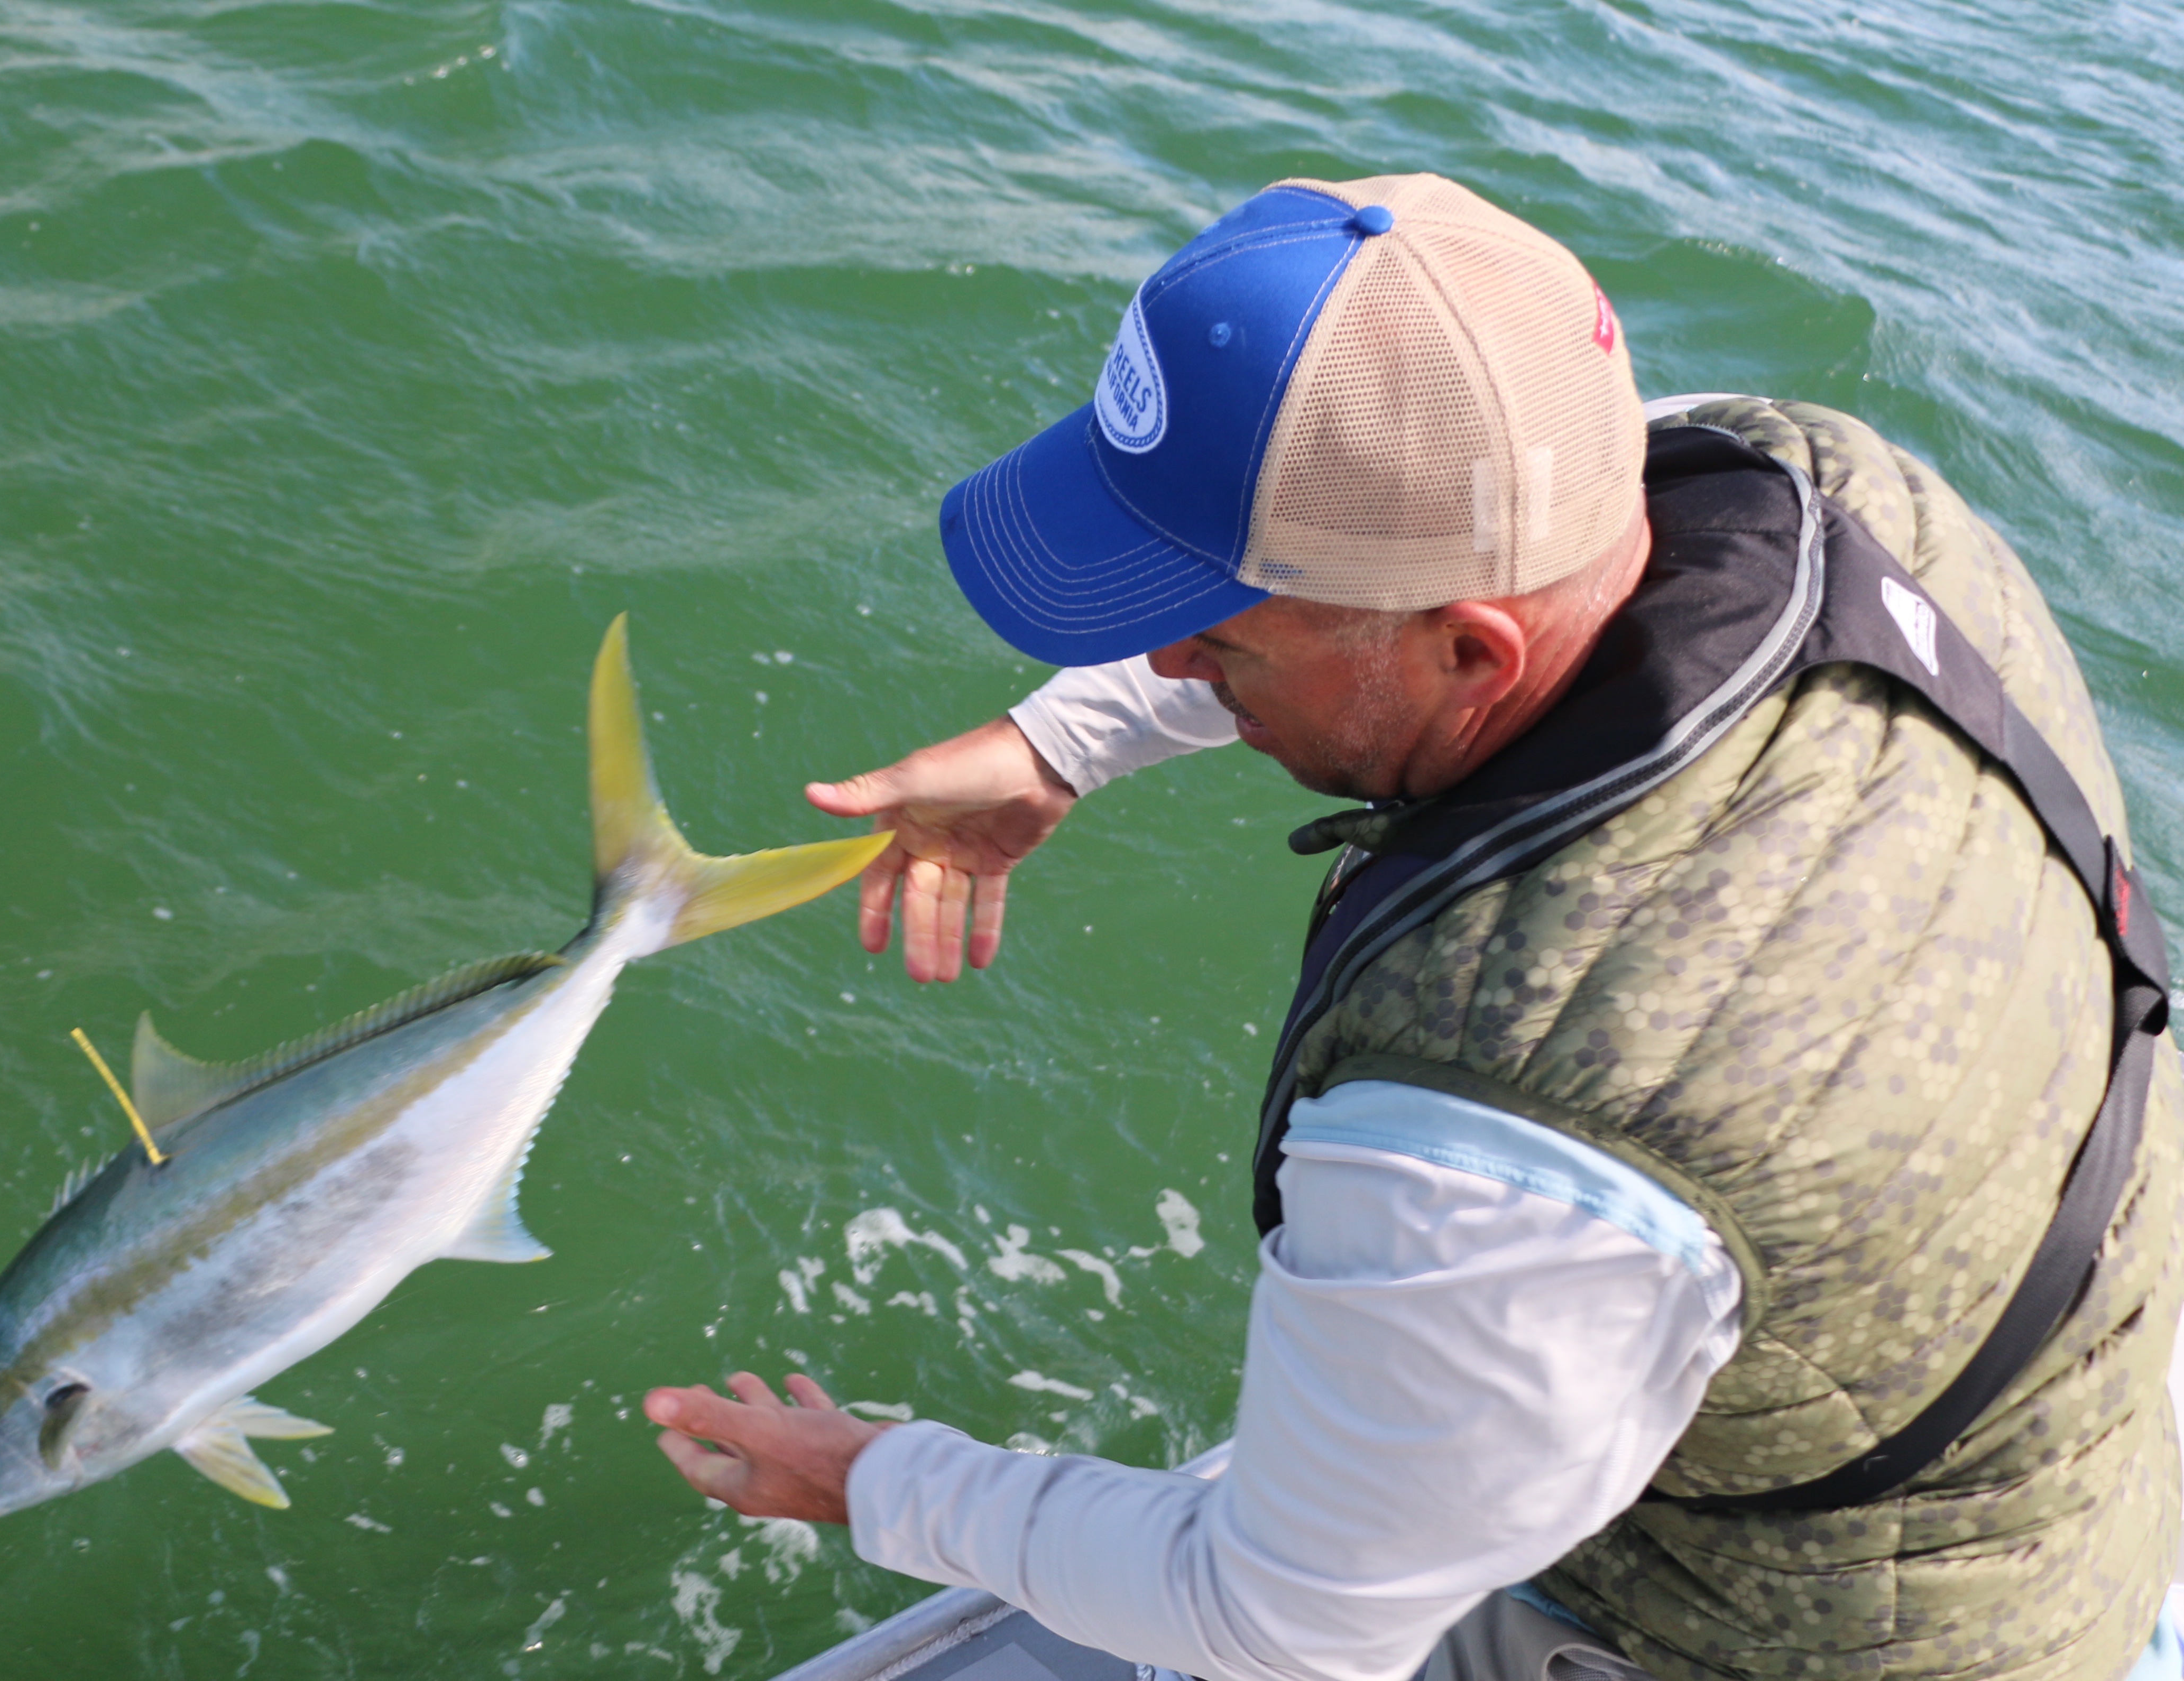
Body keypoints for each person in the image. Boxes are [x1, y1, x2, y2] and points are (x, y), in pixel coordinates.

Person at [644, 173, 2183, 1681]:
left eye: (1218, 629)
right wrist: (1060, 741)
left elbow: (1281, 1626)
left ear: (1469, 649)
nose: (1161, 651)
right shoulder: (1831, 486)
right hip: (2044, 1396)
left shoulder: (1517, 1120)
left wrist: (879, 1481)